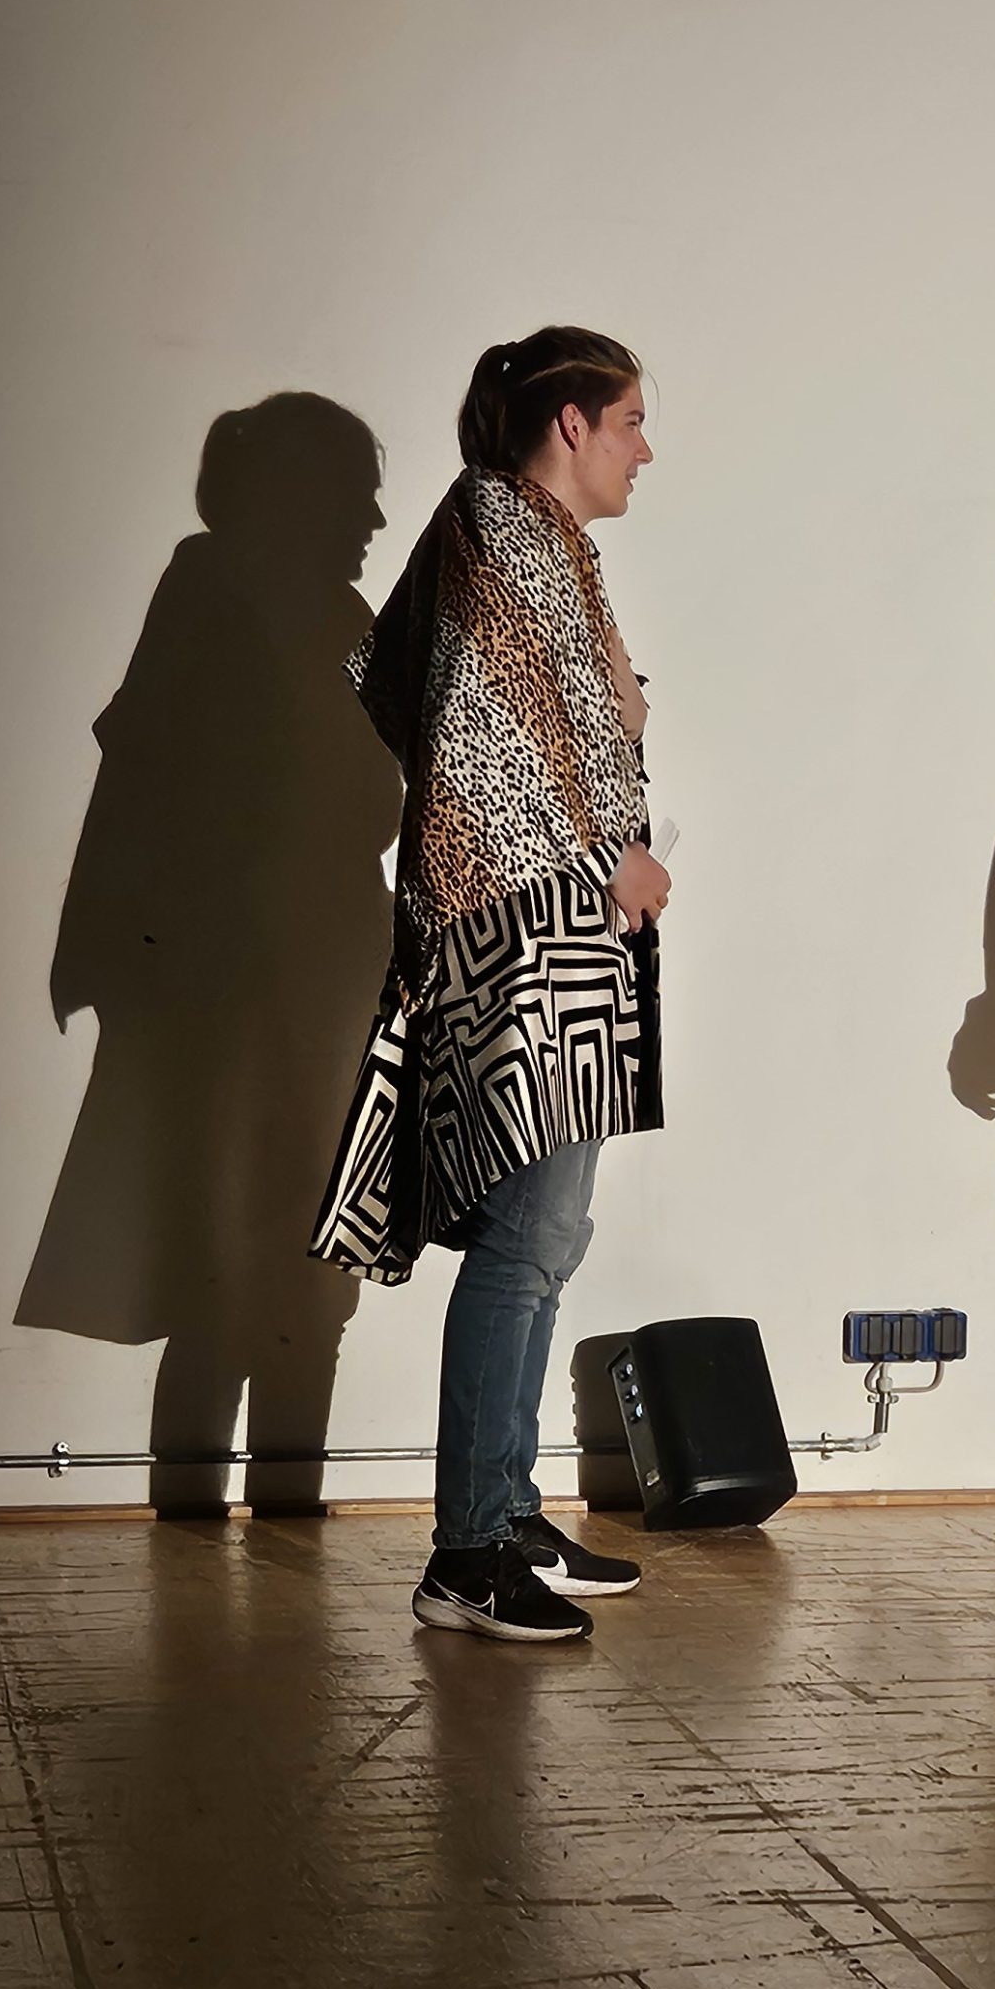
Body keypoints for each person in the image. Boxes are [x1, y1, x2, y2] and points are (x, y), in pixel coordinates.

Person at [312, 327, 672, 1643]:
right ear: (570, 422)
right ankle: (464, 1555)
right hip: (515, 931)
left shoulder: (549, 545)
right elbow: (475, 730)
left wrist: (619, 726)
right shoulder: (496, 524)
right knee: (523, 1242)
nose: (645, 449)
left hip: (558, 933)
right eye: (629, 420)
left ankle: (505, 1511)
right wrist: (607, 847)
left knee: (547, 1239)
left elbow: (446, 696)